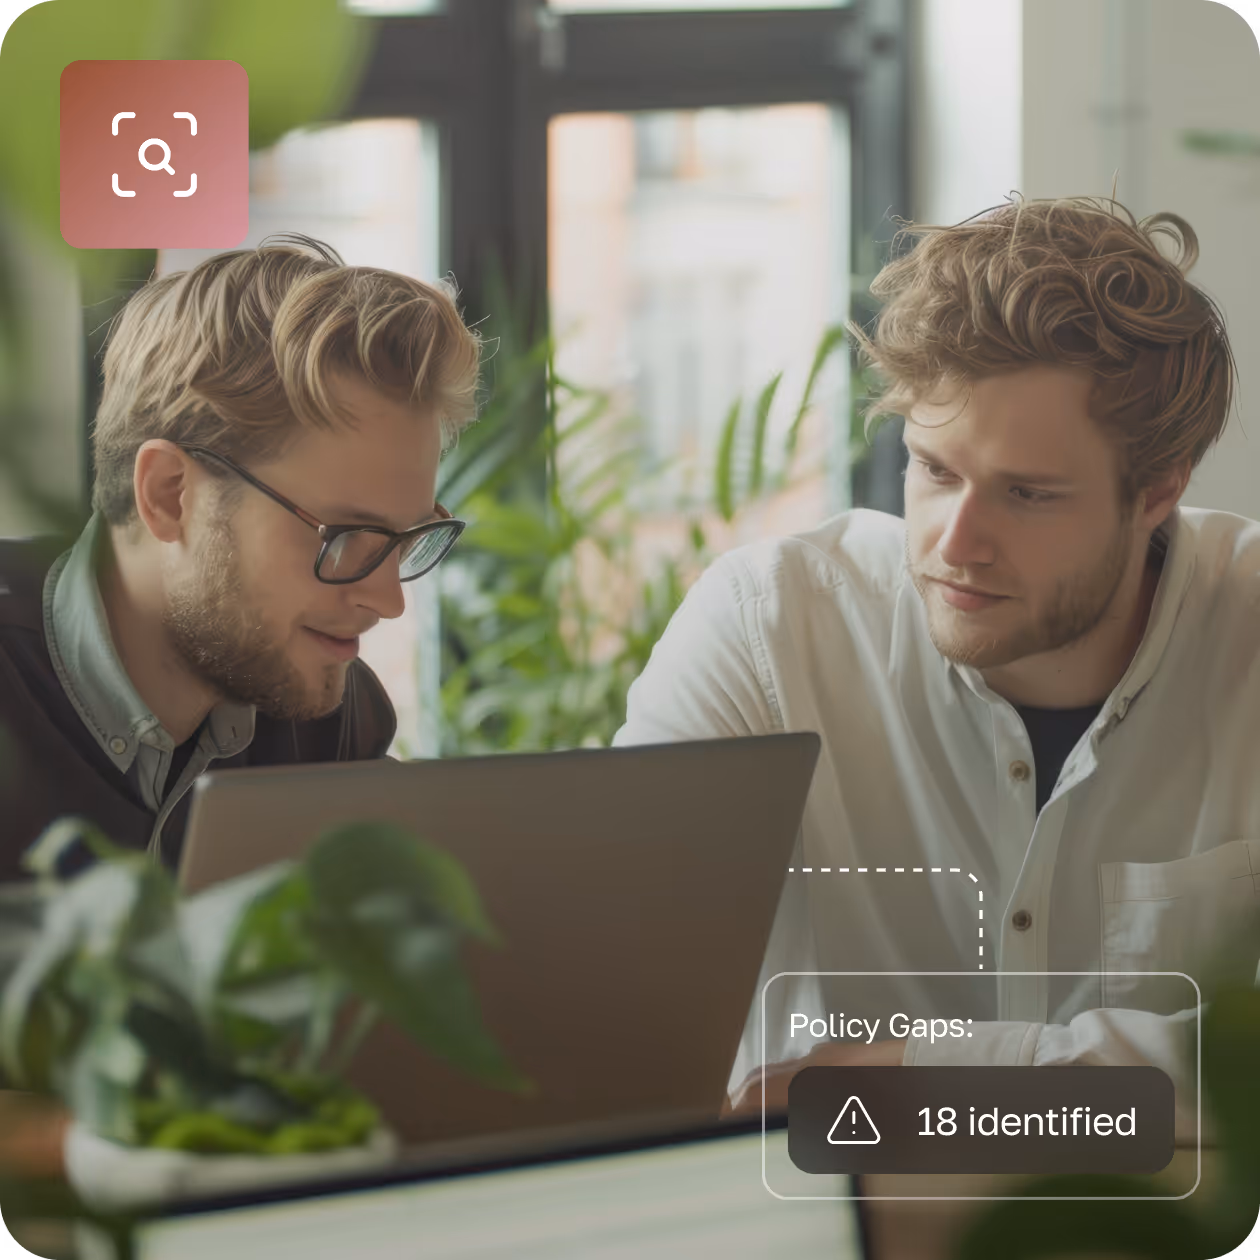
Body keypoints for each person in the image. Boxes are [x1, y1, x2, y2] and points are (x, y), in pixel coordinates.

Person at [613, 195, 1253, 1125]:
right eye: (935, 470)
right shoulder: (769, 629)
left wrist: (907, 1074)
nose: (957, 543)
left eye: (1027, 494)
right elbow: (613, 1002)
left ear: (1158, 490)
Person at [0, 236, 481, 1174]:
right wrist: (110, 1149)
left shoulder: (332, 716)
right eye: (346, 538)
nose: (386, 600)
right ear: (171, 494)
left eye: (408, 541)